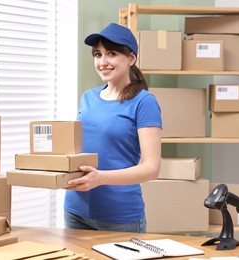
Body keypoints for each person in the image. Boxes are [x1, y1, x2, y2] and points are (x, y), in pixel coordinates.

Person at [64, 23, 162, 233]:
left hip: (120, 216)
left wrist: (101, 178)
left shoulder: (144, 102)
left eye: (112, 54)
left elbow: (151, 168)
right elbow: (78, 150)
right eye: (97, 54)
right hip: (75, 210)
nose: (103, 62)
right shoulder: (88, 98)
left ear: (131, 58)